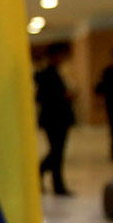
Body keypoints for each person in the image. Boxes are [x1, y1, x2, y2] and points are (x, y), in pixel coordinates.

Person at [35, 43, 75, 196]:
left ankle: (56, 183)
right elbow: (42, 97)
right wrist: (63, 96)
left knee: (57, 152)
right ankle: (43, 174)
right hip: (54, 119)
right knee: (56, 152)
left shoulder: (55, 73)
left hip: (58, 118)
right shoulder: (47, 74)